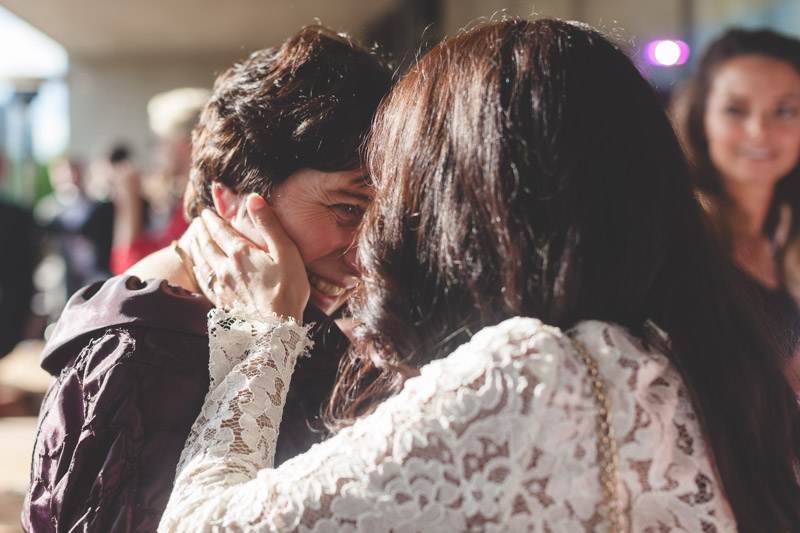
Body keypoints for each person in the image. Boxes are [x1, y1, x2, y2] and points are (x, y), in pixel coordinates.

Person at [160, 18, 800, 532]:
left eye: (392, 191)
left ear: (463, 194)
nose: (381, 227)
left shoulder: (537, 373)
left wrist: (264, 335)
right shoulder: (680, 354)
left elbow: (200, 525)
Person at [23, 25, 391, 533]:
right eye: (349, 209)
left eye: (388, 218)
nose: (367, 256)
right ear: (233, 197)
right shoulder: (138, 348)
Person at [673, 28, 800, 363]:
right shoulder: (681, 235)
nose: (759, 131)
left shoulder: (785, 234)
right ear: (702, 119)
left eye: (785, 110)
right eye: (735, 110)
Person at [108, 88, 210, 274]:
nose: (155, 152)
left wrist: (129, 204)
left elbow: (134, 274)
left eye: (159, 142)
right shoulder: (187, 199)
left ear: (184, 145)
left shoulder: (200, 204)